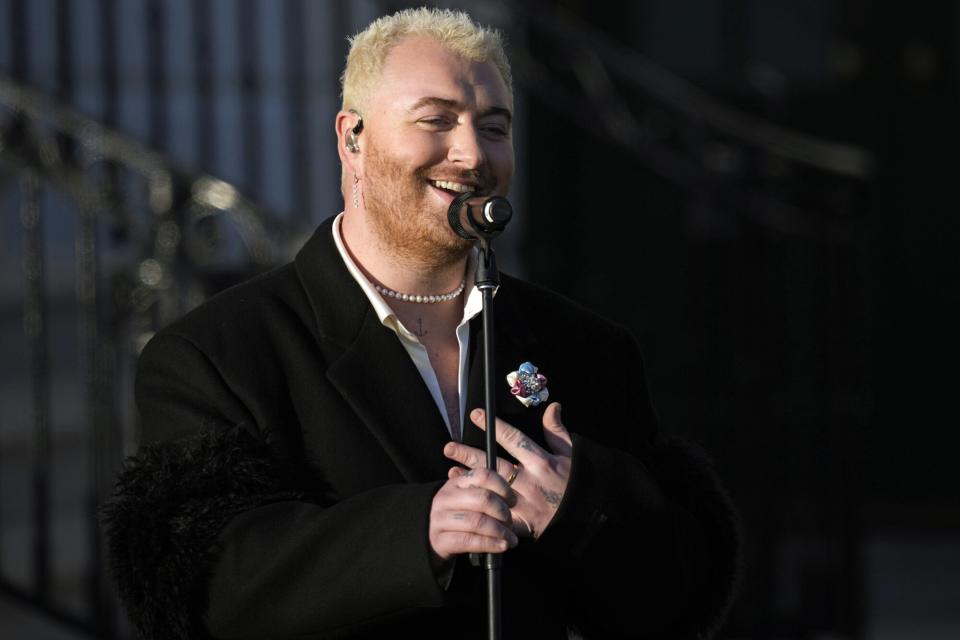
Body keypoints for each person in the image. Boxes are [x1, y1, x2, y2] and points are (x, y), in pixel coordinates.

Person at [101, 8, 740, 639]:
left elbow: (680, 596)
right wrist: (419, 531)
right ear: (352, 139)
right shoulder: (216, 354)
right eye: (436, 120)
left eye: (494, 127)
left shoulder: (589, 349)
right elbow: (206, 588)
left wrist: (585, 510)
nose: (470, 153)